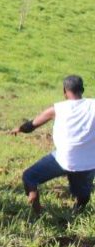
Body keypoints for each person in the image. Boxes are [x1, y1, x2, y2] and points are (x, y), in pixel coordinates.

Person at [11, 75, 95, 215]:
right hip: (89, 163)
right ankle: (77, 211)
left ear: (64, 91)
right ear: (82, 90)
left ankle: (37, 212)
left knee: (29, 177)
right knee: (82, 193)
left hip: (63, 159)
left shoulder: (57, 109)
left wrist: (18, 129)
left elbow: (31, 126)